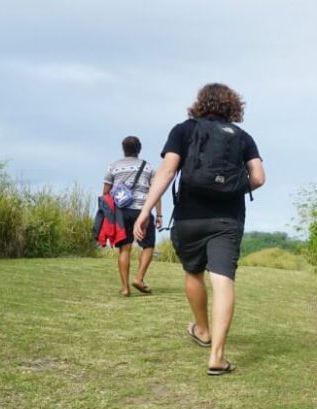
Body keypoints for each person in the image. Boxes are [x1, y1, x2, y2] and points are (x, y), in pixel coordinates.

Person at [135, 83, 266, 376]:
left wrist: (145, 211)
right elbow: (258, 178)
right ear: (233, 106)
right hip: (227, 220)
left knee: (193, 272)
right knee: (223, 281)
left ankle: (203, 331)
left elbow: (167, 171)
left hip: (189, 218)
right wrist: (232, 189)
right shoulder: (243, 138)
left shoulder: (183, 130)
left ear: (200, 103)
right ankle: (217, 356)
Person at [103, 136, 162, 297]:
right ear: (139, 149)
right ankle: (139, 278)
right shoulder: (148, 168)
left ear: (123, 149)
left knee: (125, 248)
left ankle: (125, 288)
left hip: (121, 212)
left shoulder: (113, 167)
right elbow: (155, 192)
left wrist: (107, 216)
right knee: (148, 245)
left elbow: (105, 193)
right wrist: (158, 214)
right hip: (142, 211)